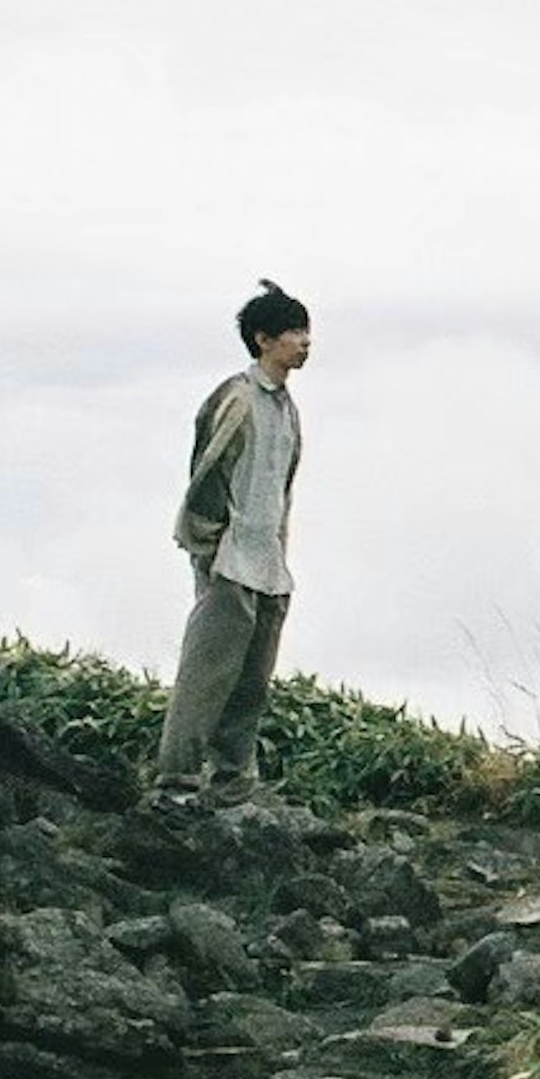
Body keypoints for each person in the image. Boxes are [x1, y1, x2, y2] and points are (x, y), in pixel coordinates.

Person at [156, 279, 309, 796]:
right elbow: (206, 474)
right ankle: (176, 779)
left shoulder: (286, 408)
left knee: (251, 681)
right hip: (229, 557)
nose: (304, 341)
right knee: (207, 674)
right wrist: (210, 545)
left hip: (267, 561)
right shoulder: (238, 398)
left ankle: (232, 781)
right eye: (292, 331)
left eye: (305, 330)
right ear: (263, 340)